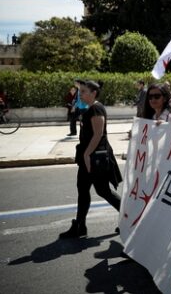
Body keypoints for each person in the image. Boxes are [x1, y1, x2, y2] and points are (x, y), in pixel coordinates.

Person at [60, 80, 122, 238]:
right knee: (83, 190)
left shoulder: (96, 108)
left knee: (103, 191)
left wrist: (87, 154)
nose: (81, 94)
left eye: (84, 92)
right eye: (80, 92)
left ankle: (129, 219)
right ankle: (80, 226)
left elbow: (98, 134)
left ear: (94, 93)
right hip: (88, 157)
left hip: (94, 158)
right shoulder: (90, 108)